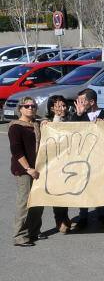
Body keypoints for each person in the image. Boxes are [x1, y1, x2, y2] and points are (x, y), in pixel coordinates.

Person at [68, 88, 104, 231]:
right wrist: (78, 115)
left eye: (82, 101)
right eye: (78, 101)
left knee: (98, 186)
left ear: (91, 102)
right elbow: (71, 131)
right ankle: (83, 216)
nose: (79, 103)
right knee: (83, 186)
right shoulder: (78, 114)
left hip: (99, 157)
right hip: (83, 158)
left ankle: (101, 215)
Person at [10, 97, 43, 247]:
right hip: (24, 170)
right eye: (27, 106)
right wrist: (29, 169)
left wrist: (45, 123)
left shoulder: (37, 124)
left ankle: (33, 231)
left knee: (38, 201)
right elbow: (16, 151)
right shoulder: (16, 127)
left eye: (33, 106)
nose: (30, 108)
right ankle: (19, 235)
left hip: (39, 169)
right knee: (24, 202)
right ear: (20, 109)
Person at [45, 95, 72, 233]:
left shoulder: (71, 119)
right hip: (54, 163)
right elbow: (54, 133)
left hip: (70, 161)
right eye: (58, 106)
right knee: (57, 193)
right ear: (51, 108)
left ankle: (65, 216)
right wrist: (57, 117)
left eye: (64, 105)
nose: (62, 108)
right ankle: (59, 219)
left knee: (66, 192)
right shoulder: (47, 122)